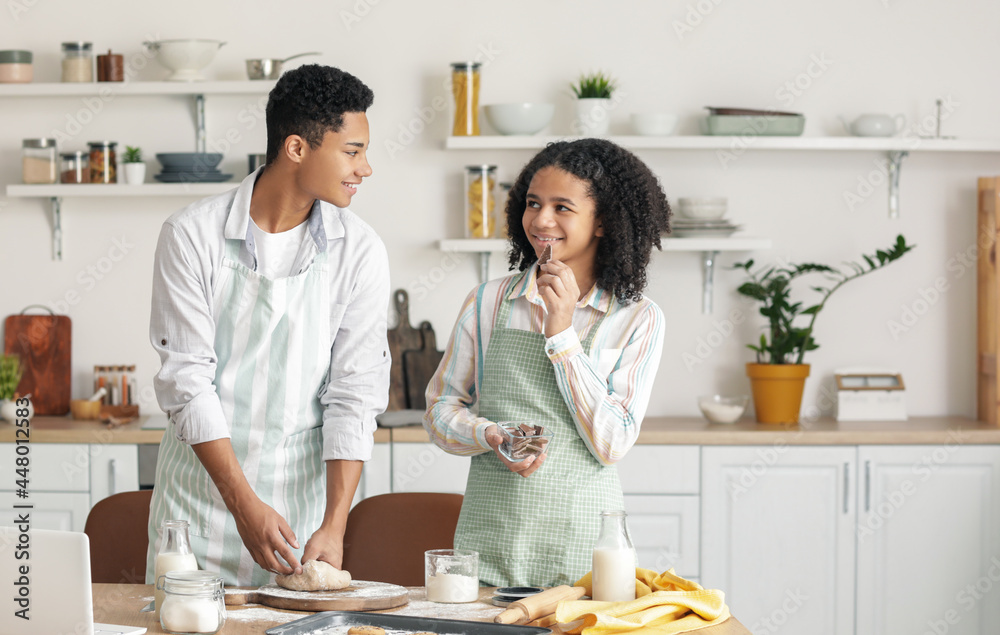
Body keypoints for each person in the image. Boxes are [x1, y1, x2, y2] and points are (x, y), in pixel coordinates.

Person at [146, 65, 390, 586]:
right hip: (198, 508)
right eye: (352, 151)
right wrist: (240, 502)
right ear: (297, 148)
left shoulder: (360, 250)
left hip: (301, 520)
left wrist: (335, 522)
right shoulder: (192, 235)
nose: (365, 168)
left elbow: (355, 391)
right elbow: (187, 381)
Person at [424, 138, 671, 587]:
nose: (540, 220)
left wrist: (561, 335)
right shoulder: (487, 301)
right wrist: (489, 434)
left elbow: (612, 443)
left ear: (603, 222)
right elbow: (440, 412)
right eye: (533, 203)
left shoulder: (637, 318)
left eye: (562, 207)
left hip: (585, 552)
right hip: (489, 541)